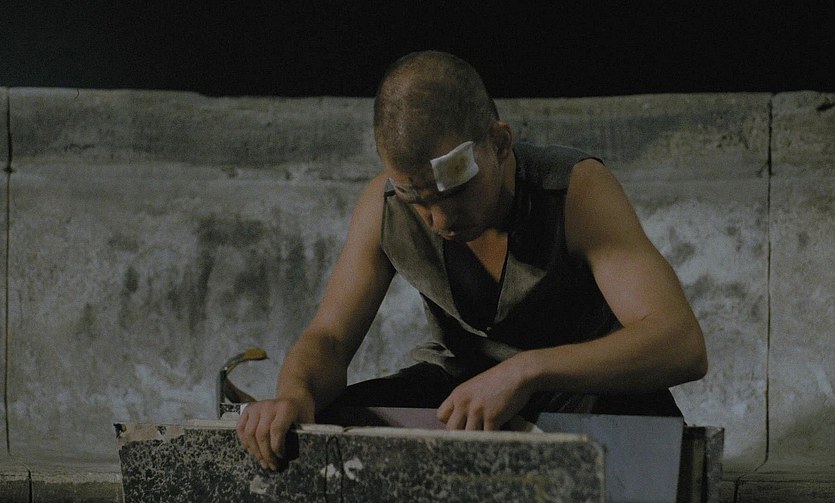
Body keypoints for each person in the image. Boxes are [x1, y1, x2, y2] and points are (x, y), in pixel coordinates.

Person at [237, 51, 708, 471]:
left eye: (456, 192)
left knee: (635, 426)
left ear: (499, 143)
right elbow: (330, 337)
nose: (440, 220)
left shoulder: (575, 190)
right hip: (462, 393)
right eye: (419, 200)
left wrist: (525, 371)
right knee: (322, 423)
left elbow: (680, 343)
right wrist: (293, 395)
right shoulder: (384, 207)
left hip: (583, 393)